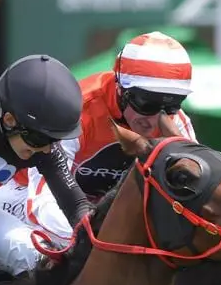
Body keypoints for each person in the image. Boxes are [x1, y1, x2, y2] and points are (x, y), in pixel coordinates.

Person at [23, 31, 197, 244]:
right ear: (120, 88)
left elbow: (194, 198)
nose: (153, 120)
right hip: (23, 193)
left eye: (172, 104)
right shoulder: (77, 110)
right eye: (146, 103)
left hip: (101, 211)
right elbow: (40, 203)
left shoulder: (176, 120)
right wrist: (99, 243)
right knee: (33, 251)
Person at [0, 54, 92, 276]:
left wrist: (96, 233)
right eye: (41, 139)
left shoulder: (37, 142)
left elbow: (75, 204)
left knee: (42, 258)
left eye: (54, 140)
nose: (47, 150)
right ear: (9, 121)